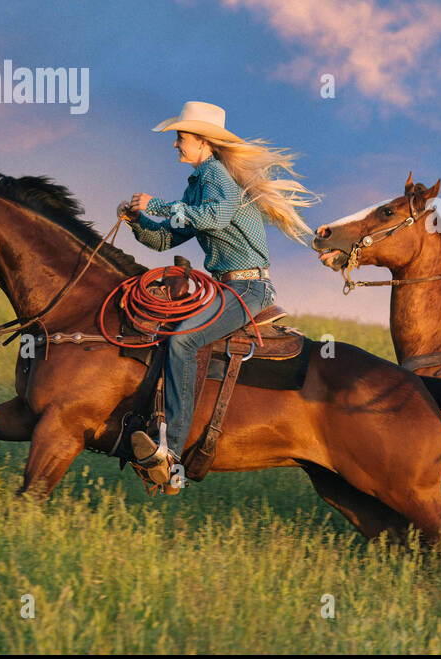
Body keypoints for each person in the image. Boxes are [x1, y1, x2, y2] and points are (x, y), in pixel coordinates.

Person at [119, 101, 318, 488]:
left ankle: (171, 454)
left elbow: (214, 217)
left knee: (182, 340)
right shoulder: (198, 182)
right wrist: (138, 221)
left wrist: (156, 204)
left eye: (181, 137)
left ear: (203, 142)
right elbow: (166, 239)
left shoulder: (218, 175)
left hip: (247, 287)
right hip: (227, 286)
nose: (175, 144)